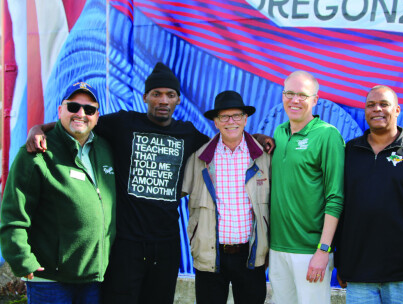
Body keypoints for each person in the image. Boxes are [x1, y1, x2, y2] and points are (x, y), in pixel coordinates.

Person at [25, 62, 274, 303]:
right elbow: (81, 122)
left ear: (178, 100)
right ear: (145, 97)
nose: (163, 100)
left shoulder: (188, 134)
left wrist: (259, 137)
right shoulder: (123, 123)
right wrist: (39, 128)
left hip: (166, 246)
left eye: (170, 94)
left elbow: (226, 140)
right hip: (126, 244)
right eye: (156, 94)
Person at [0, 82, 116, 303]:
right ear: (60, 110)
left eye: (89, 109)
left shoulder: (105, 148)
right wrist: (22, 259)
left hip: (93, 280)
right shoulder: (36, 153)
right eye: (73, 107)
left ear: (97, 115)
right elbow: (14, 213)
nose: (81, 114)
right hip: (50, 281)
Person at [334, 85, 403, 304]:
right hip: (359, 275)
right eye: (371, 105)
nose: (377, 109)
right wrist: (341, 262)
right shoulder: (349, 152)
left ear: (397, 110)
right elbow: (341, 209)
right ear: (365, 111)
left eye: (384, 104)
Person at [182, 90, 270, 304]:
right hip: (211, 255)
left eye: (237, 116)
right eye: (224, 117)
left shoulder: (264, 157)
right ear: (216, 122)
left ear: (246, 119)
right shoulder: (199, 158)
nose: (231, 122)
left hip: (250, 255)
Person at [269, 70, 345, 304]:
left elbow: (336, 197)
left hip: (310, 251)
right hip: (277, 247)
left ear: (315, 100)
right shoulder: (279, 133)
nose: (294, 100)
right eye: (289, 93)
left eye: (302, 95)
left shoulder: (327, 135)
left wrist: (323, 250)